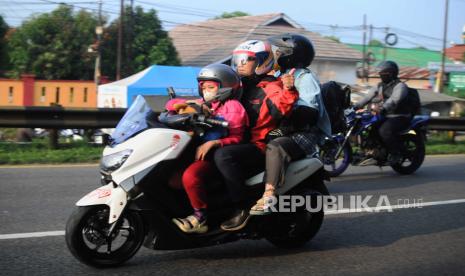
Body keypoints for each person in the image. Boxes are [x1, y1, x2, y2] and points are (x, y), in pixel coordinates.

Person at [214, 40, 299, 231]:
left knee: (223, 155)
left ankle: (242, 207)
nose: (241, 64)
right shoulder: (235, 85)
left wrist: (289, 90)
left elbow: (281, 106)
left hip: (256, 145)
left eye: (246, 60)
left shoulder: (270, 87)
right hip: (233, 138)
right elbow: (210, 96)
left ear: (262, 62)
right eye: (238, 60)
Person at [248, 33, 332, 215]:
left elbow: (307, 114)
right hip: (286, 129)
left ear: (288, 55)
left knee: (275, 146)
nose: (271, 56)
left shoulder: (304, 77)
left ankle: (269, 194)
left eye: (275, 53)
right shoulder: (281, 75)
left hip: (304, 132)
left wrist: (279, 131)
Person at [172, 63, 248, 234]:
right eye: (203, 87)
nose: (206, 91)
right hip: (194, 152)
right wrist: (181, 104)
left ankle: (200, 218)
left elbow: (237, 137)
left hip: (214, 157)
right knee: (171, 178)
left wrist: (214, 143)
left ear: (225, 87)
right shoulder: (204, 104)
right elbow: (173, 105)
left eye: (211, 87)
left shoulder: (233, 107)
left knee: (190, 177)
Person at [353, 60, 412, 165]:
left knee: (384, 131)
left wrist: (383, 108)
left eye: (382, 73)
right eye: (380, 73)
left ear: (391, 73)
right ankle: (372, 152)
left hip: (400, 116)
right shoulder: (380, 85)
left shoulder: (400, 86)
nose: (380, 75)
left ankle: (395, 153)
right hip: (385, 115)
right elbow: (367, 97)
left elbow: (394, 100)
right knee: (369, 128)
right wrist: (355, 106)